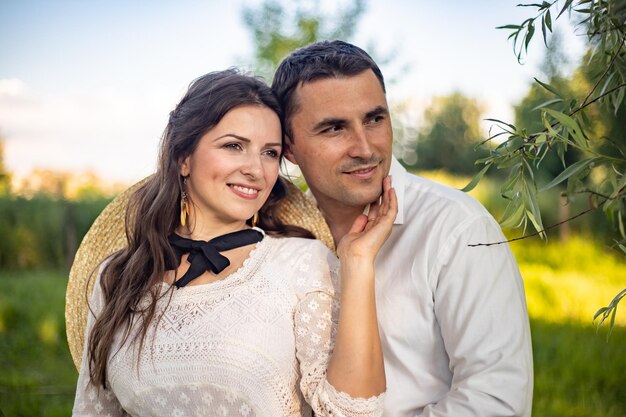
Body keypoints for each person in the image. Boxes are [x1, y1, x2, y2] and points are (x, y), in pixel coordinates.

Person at [71, 69, 397, 417]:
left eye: (270, 153)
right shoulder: (119, 276)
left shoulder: (301, 265)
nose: (256, 169)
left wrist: (358, 261)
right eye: (233, 146)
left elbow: (353, 412)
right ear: (183, 158)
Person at [271, 40, 534, 416]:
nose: (365, 147)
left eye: (375, 119)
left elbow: (496, 402)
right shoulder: (279, 236)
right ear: (289, 148)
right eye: (334, 128)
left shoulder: (457, 229)